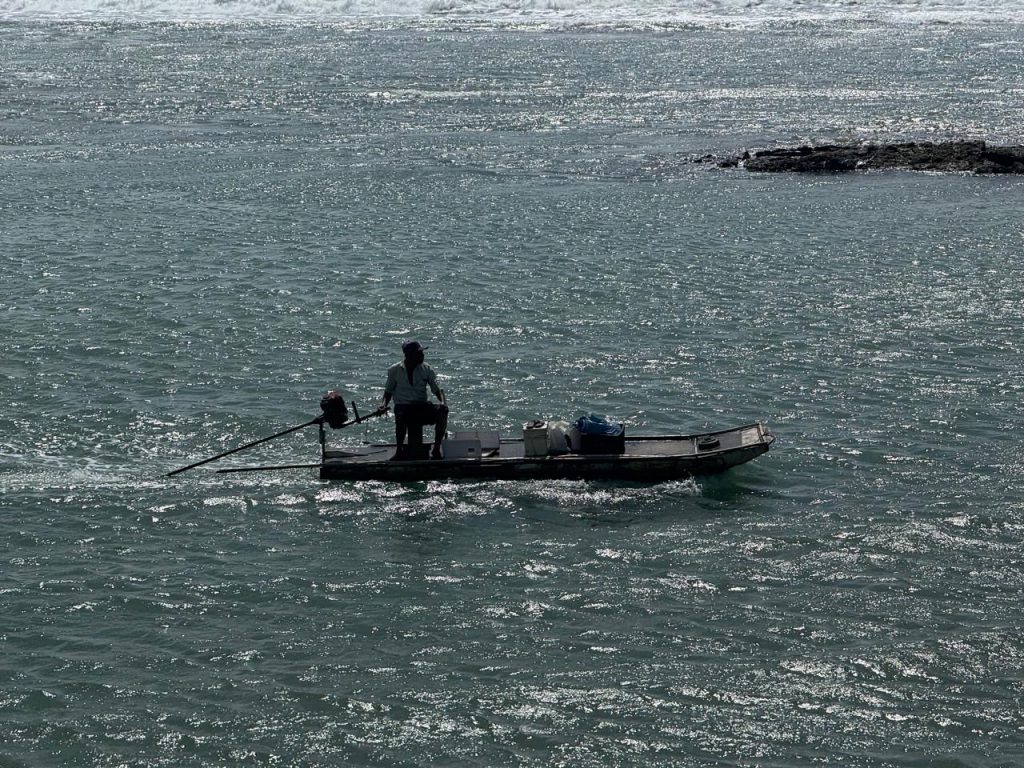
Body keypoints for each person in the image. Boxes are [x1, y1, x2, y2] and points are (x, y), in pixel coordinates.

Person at [382, 340, 448, 459]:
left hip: (421, 407)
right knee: (401, 414)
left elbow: (438, 390)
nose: (422, 356)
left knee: (442, 412)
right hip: (404, 407)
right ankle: (399, 450)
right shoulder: (394, 370)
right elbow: (388, 392)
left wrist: (442, 403)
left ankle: (436, 449)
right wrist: (382, 405)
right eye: (419, 353)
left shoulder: (427, 369)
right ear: (409, 356)